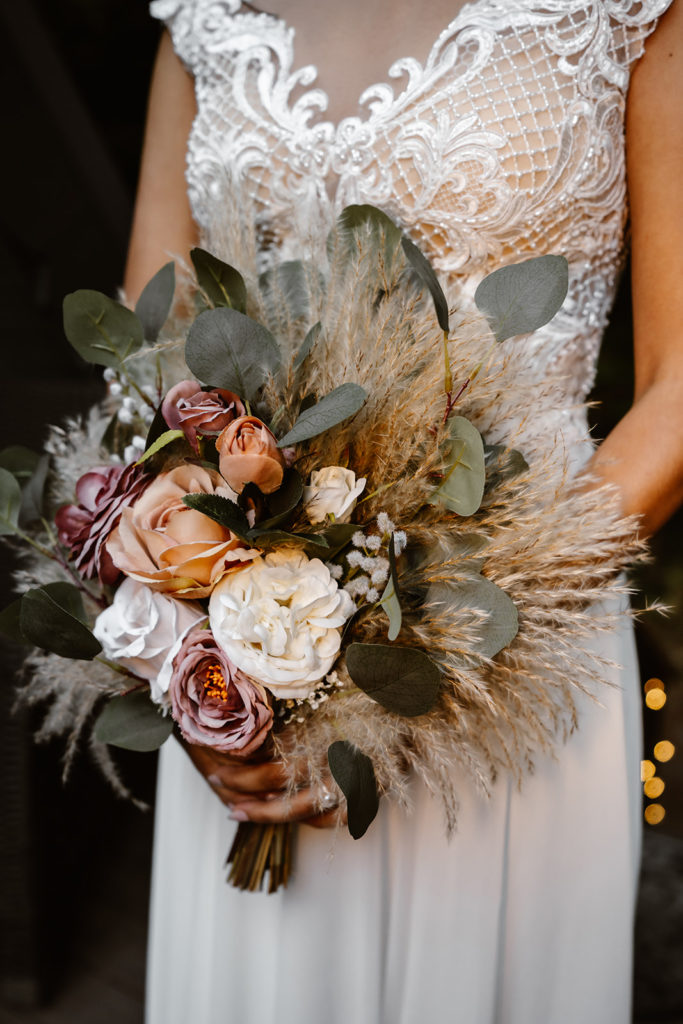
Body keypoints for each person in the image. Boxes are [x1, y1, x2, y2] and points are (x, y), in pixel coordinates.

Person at [123, 1, 683, 1021]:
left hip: (513, 656)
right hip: (248, 669)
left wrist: (467, 641)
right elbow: (154, 347)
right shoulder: (199, 15)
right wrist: (184, 647)